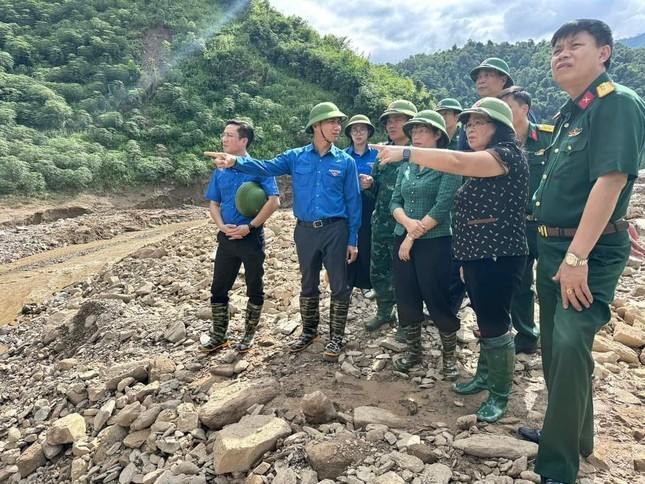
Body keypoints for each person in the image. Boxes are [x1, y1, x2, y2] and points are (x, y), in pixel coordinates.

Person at [516, 19, 645, 484]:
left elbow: (610, 181)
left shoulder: (617, 104)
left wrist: (576, 258)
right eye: (556, 48)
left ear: (605, 53)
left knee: (570, 344)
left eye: (575, 46)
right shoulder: (574, 112)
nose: (562, 54)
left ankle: (558, 467)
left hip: (583, 251)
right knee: (555, 347)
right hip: (552, 245)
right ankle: (572, 435)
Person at [370, 97, 529, 423]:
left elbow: (454, 163)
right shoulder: (483, 158)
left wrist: (405, 151)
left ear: (499, 128)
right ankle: (484, 377)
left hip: (500, 254)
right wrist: (464, 257)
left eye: (479, 123)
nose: (471, 129)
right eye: (468, 124)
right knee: (485, 322)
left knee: (497, 325)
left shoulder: (506, 155)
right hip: (478, 254)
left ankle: (499, 395)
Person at [206, 102, 362, 362]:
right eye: (331, 122)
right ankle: (310, 331)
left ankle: (336, 336)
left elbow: (353, 201)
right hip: (305, 231)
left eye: (339, 123)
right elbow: (266, 167)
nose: (338, 128)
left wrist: (353, 239)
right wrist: (236, 162)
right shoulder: (296, 157)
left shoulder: (345, 161)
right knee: (308, 282)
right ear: (316, 126)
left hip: (336, 229)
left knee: (339, 285)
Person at [389, 110, 461, 378]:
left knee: (436, 295)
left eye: (422, 131)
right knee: (406, 295)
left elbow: (443, 205)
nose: (416, 136)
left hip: (435, 240)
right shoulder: (406, 165)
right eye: (414, 131)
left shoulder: (448, 163)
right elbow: (394, 201)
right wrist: (406, 224)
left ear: (437, 135)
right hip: (403, 236)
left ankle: (449, 356)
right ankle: (413, 352)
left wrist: (411, 235)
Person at [199, 120, 280, 354]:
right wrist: (222, 226)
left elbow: (274, 202)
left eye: (229, 135)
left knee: (254, 287)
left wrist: (251, 227)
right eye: (223, 134)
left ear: (243, 141)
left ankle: (249, 334)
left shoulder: (258, 168)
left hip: (250, 237)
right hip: (226, 238)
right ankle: (218, 335)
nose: (223, 139)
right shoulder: (220, 169)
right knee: (218, 288)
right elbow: (214, 203)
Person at [498, 86, 554, 355]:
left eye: (509, 108)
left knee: (551, 281)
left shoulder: (548, 138)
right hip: (513, 224)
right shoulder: (499, 143)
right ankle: (527, 334)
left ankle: (557, 336)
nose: (505, 115)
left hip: (546, 224)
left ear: (524, 109)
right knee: (519, 282)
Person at [363, 100, 417, 335]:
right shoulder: (383, 153)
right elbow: (376, 193)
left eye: (397, 119)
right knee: (379, 271)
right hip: (381, 224)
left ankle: (408, 321)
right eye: (388, 121)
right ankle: (385, 313)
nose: (391, 125)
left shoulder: (420, 153)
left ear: (410, 123)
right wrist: (369, 185)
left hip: (407, 228)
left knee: (406, 277)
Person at [344, 115, 378, 299]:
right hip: (347, 205)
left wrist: (372, 182)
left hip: (368, 204)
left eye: (362, 129)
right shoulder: (342, 155)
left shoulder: (377, 155)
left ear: (369, 133)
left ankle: (366, 283)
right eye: (354, 129)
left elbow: (382, 180)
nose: (358, 133)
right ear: (349, 133)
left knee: (366, 242)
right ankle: (348, 283)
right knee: (347, 241)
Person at [457, 57, 513, 151]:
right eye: (478, 77)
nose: (481, 81)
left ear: (503, 80)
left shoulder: (515, 109)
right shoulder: (472, 114)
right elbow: (463, 151)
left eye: (487, 75)